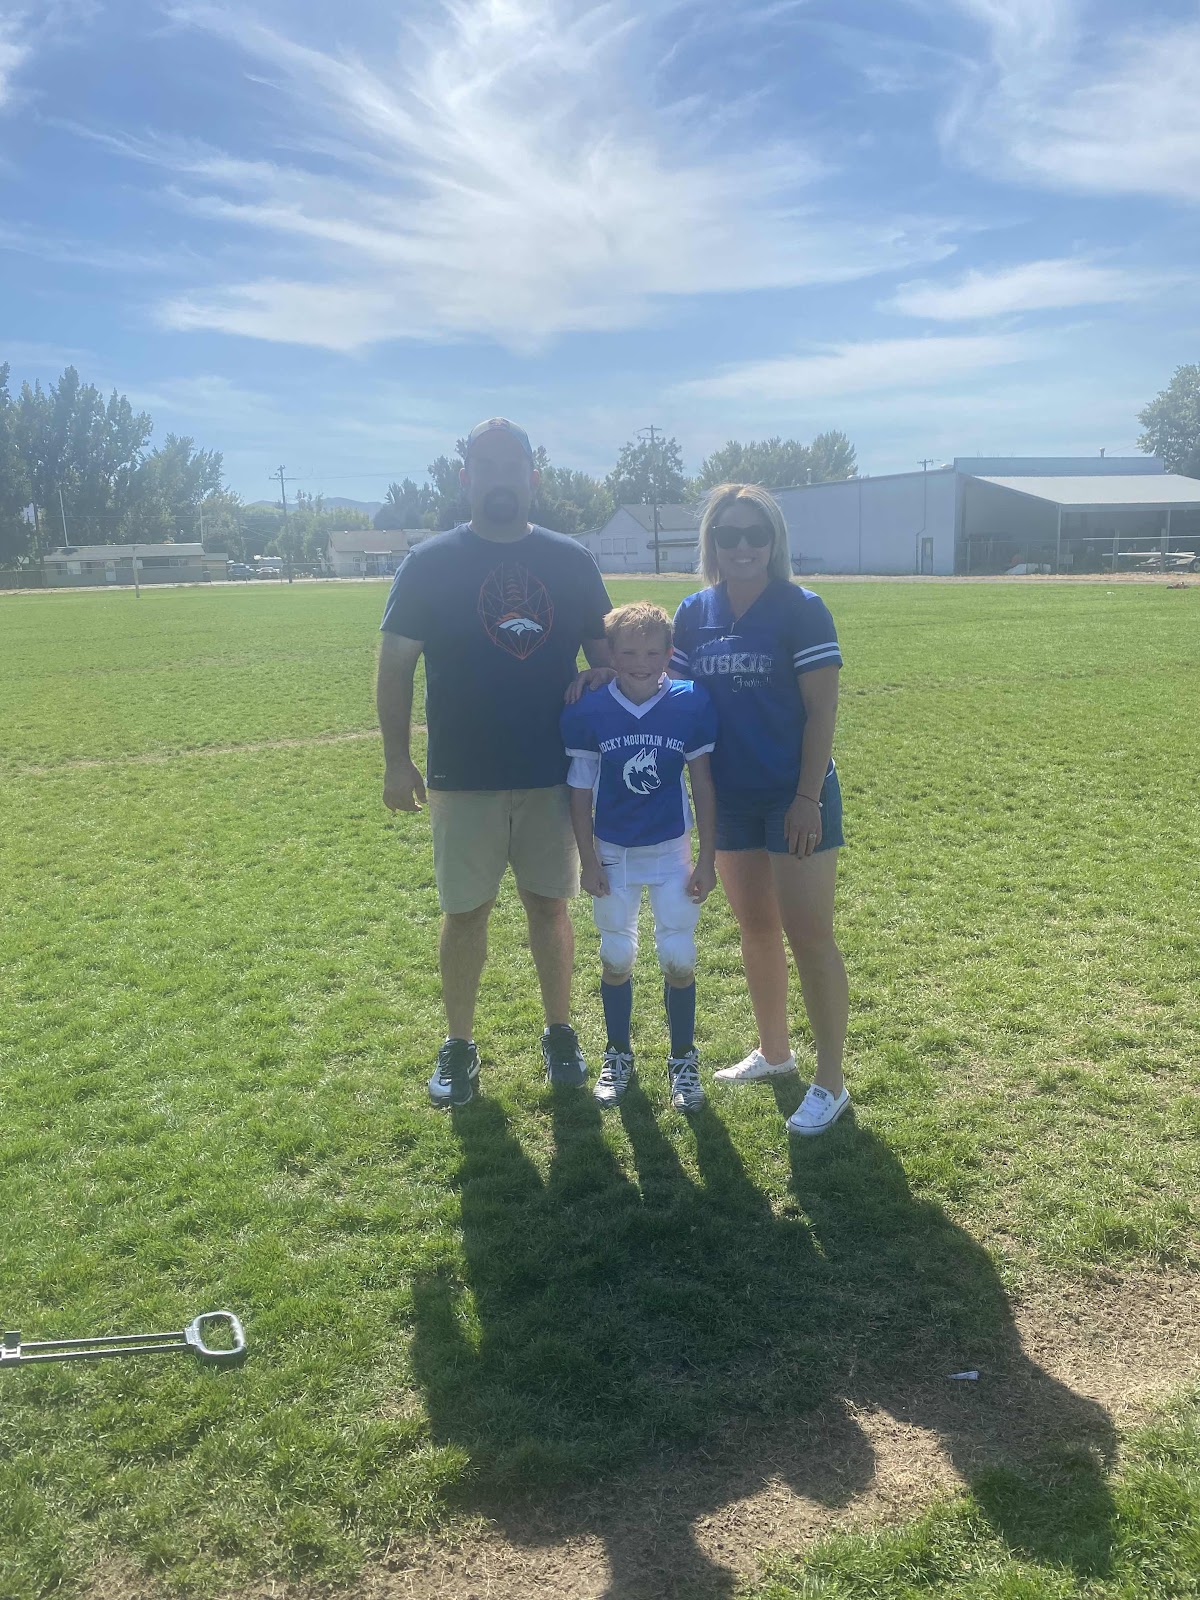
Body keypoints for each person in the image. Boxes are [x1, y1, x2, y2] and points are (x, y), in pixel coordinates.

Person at [377, 418, 613, 1107]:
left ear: (533, 478)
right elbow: (394, 664)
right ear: (466, 478)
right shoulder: (430, 562)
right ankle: (459, 1046)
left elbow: (609, 660)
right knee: (465, 913)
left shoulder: (571, 560)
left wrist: (607, 693)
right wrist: (396, 760)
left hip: (553, 774)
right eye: (487, 466)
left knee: (550, 906)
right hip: (463, 774)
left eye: (513, 467)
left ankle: (560, 1033)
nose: (500, 478)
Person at [670, 484, 850, 1136]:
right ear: (711, 544)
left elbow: (822, 711)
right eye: (729, 535)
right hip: (728, 797)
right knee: (756, 928)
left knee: (810, 934)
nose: (742, 546)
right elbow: (668, 692)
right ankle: (775, 1053)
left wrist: (806, 798)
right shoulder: (694, 612)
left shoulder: (802, 609)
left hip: (791, 794)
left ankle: (830, 1082)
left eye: (756, 534)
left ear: (775, 541)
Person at [561, 602, 718, 1111]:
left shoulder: (690, 702)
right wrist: (587, 859)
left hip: (671, 849)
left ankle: (683, 1058)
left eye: (652, 653)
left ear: (670, 654)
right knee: (616, 955)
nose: (640, 663)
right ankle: (617, 1053)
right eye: (628, 653)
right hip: (612, 851)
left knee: (679, 957)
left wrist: (708, 858)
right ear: (610, 654)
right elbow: (579, 791)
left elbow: (703, 784)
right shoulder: (590, 709)